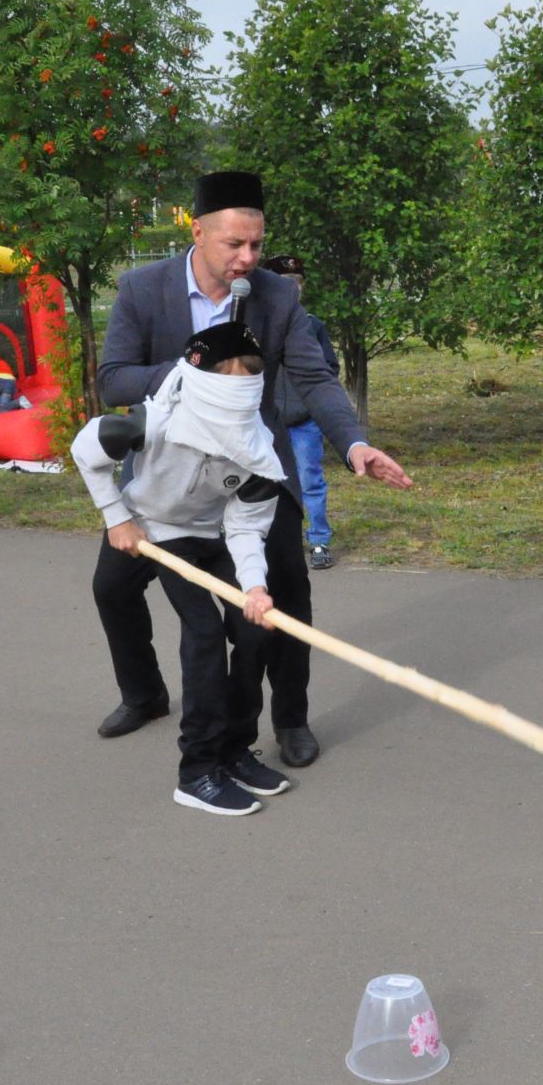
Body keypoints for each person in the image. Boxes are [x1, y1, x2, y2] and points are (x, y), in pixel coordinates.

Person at [95, 171, 412, 766]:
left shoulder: (276, 296)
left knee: (285, 593)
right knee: (112, 588)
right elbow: (112, 379)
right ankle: (143, 695)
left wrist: (353, 445)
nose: (248, 258)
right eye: (234, 244)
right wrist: (193, 372)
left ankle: (289, 719)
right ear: (197, 233)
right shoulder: (142, 290)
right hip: (167, 480)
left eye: (257, 245)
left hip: (253, 478)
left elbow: (314, 378)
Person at [73, 320, 293, 816]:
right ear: (201, 374)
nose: (237, 383)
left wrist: (254, 588)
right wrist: (117, 518)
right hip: (143, 526)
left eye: (249, 374)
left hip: (205, 534)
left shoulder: (256, 449)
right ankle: (193, 770)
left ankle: (231, 752)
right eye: (227, 374)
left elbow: (245, 527)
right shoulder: (154, 420)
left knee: (252, 631)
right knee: (115, 595)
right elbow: (88, 450)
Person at [261, 253, 340, 570]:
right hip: (265, 422)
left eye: (296, 283)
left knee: (309, 479)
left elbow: (328, 370)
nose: (291, 289)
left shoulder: (312, 326)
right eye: (283, 283)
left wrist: (309, 402)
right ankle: (266, 541)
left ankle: (318, 540)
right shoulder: (256, 326)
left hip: (304, 423)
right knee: (263, 482)